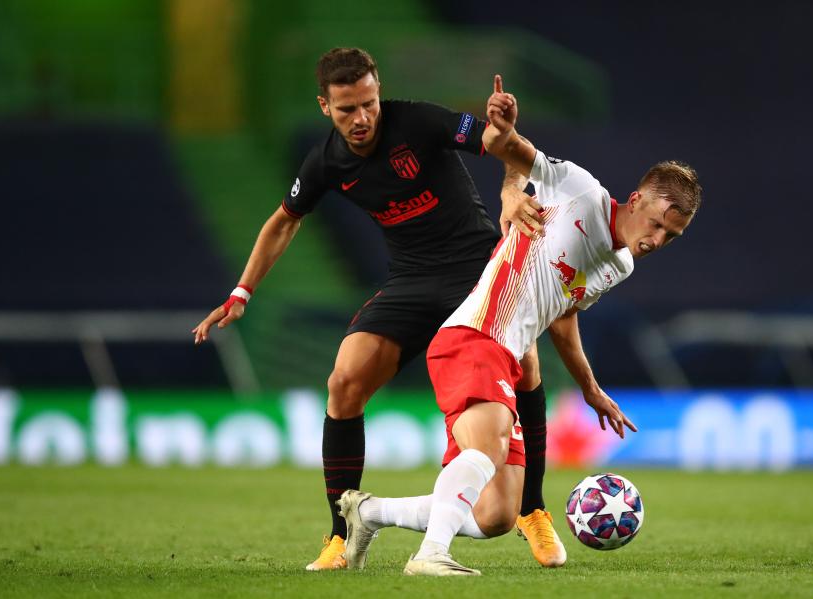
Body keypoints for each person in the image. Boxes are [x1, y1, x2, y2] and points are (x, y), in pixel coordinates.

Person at [191, 48, 566, 570]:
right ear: (325, 106)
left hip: (476, 271)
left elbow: (506, 147)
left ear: (378, 90)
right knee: (344, 381)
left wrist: (507, 177)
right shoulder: (325, 161)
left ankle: (533, 510)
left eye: (368, 103)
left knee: (525, 363)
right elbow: (284, 220)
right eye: (347, 109)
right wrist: (241, 293)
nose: (362, 117)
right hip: (411, 280)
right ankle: (341, 535)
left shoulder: (418, 119)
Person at [337, 74, 702, 576]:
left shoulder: (620, 267)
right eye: (657, 222)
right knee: (485, 452)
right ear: (635, 199)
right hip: (476, 335)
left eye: (672, 235)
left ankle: (369, 512)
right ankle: (430, 556)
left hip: (507, 356)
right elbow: (514, 151)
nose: (658, 238)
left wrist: (590, 389)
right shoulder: (581, 191)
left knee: (495, 515)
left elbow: (563, 316)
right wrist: (503, 131)